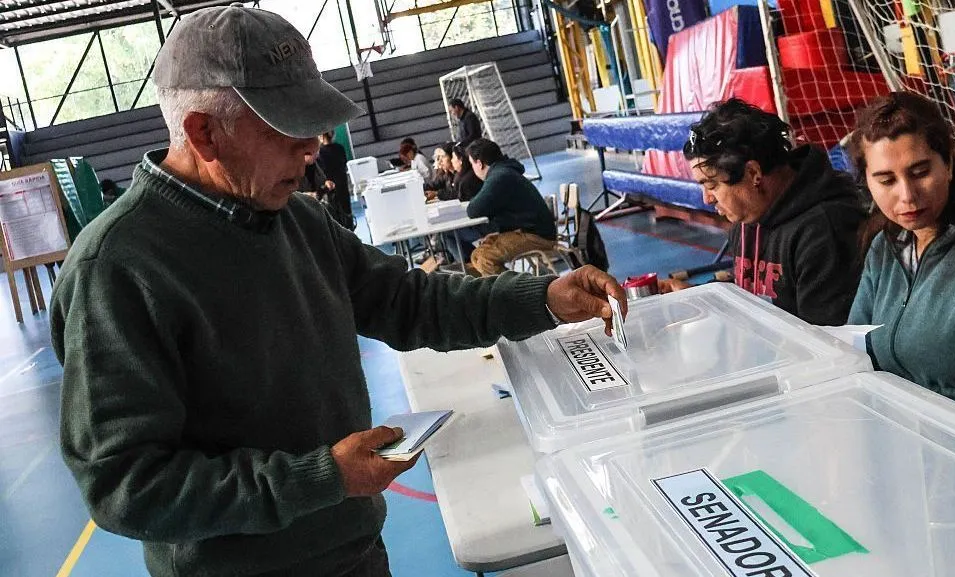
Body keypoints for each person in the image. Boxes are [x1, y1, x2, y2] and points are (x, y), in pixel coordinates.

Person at [49, 7, 628, 577]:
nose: (312, 148)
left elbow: (409, 301)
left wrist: (544, 298)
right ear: (203, 132)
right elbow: (125, 484)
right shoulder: (118, 269)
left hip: (354, 553)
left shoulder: (294, 220)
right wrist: (321, 477)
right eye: (287, 129)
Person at [847, 91, 955, 428]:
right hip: (913, 445)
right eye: (886, 180)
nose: (907, 195)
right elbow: (854, 351)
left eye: (920, 172)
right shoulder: (887, 246)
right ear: (867, 183)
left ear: (949, 165)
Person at [661, 98, 866, 326]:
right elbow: (753, 308)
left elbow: (826, 345)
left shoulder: (825, 230)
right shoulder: (748, 220)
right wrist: (698, 299)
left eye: (711, 185)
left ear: (752, 173)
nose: (706, 198)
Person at [465, 139, 557, 276]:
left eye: (472, 163)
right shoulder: (503, 172)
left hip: (537, 235)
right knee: (477, 255)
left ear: (479, 163)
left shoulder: (499, 177)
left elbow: (473, 210)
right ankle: (510, 287)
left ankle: (513, 292)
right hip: (529, 230)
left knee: (485, 258)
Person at [315, 131, 354, 229]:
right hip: (342, 182)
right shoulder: (339, 148)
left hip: (330, 185)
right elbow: (344, 163)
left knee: (334, 213)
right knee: (346, 210)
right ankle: (350, 230)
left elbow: (320, 171)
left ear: (320, 137)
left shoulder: (320, 152)